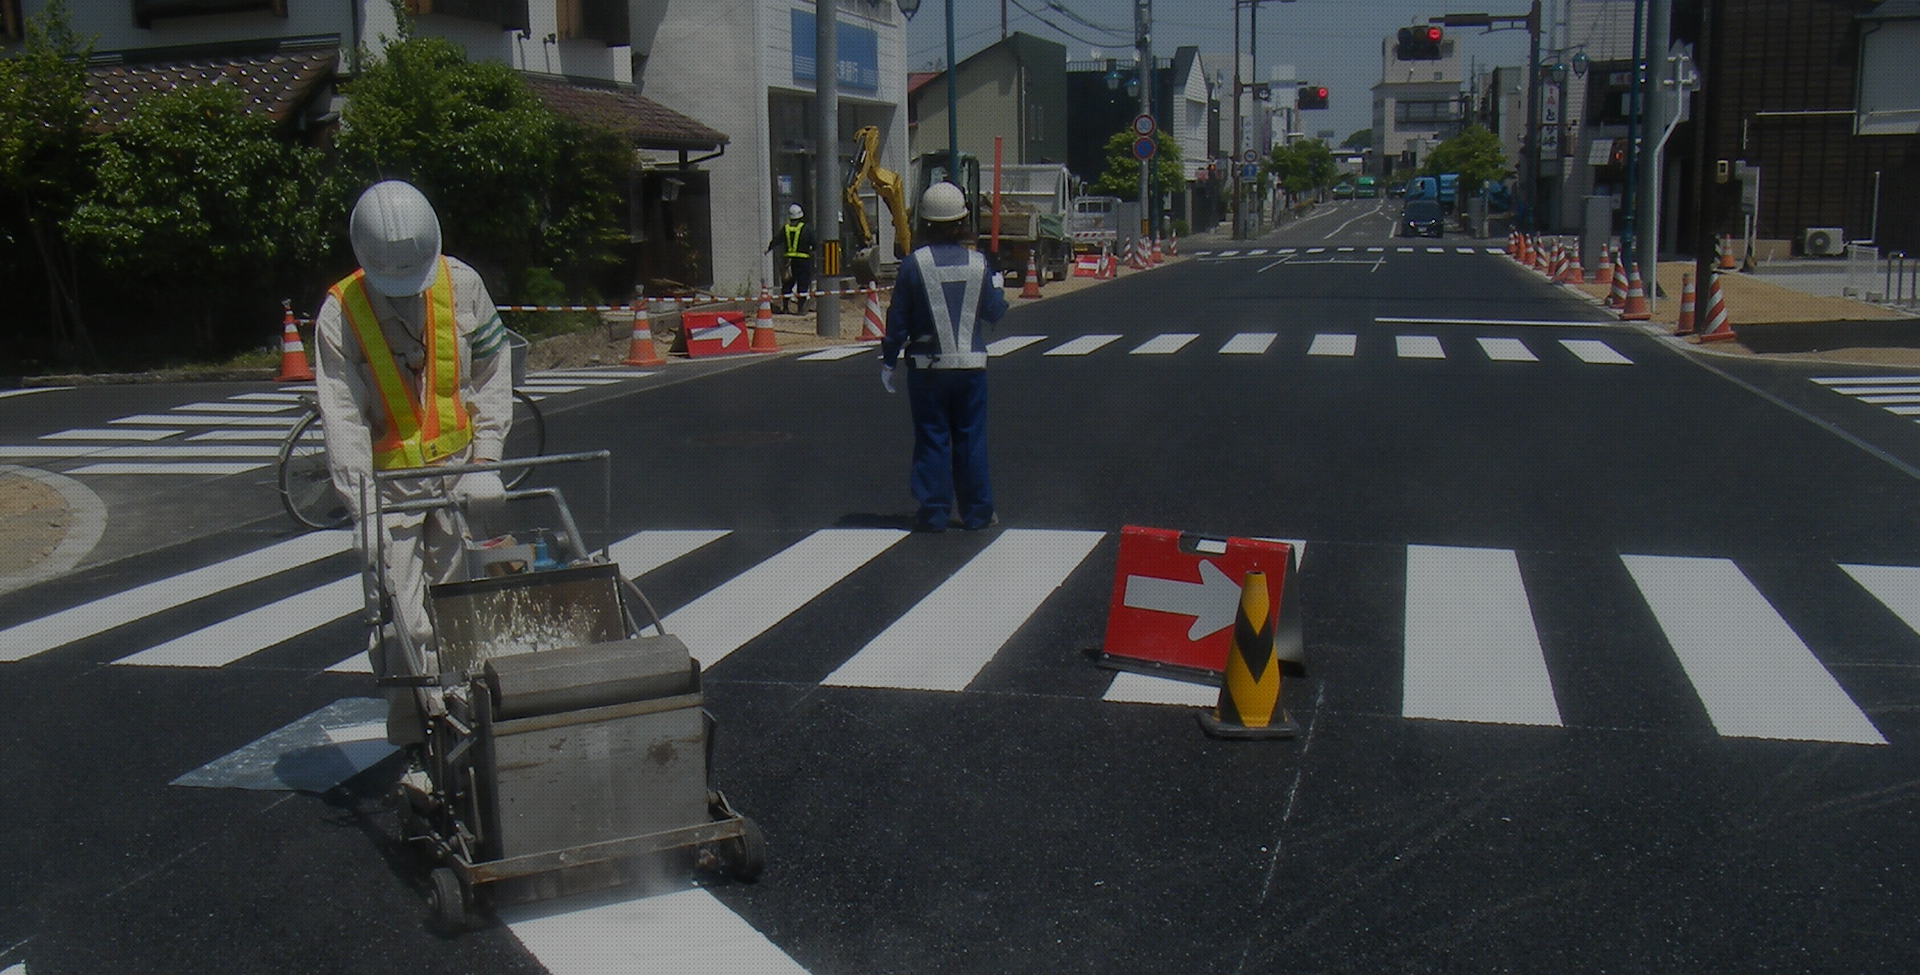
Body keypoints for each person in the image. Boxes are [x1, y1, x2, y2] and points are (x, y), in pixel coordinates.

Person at [312, 179, 514, 745]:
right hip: (390, 489)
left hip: (458, 477)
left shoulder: (463, 284)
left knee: (460, 605)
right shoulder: (341, 313)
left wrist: (487, 460)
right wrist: (362, 508)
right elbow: (342, 415)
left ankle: (465, 716)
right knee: (398, 619)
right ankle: (415, 736)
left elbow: (493, 372)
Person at [880, 182, 1007, 532]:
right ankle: (977, 513)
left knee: (932, 437)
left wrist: (889, 359)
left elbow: (898, 320)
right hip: (971, 368)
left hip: (927, 369)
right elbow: (994, 312)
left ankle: (934, 513)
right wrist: (997, 285)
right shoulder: (978, 263)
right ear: (963, 221)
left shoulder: (912, 265)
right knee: (970, 438)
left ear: (924, 222)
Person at [766, 203, 815, 314]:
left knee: (787, 284)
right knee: (803, 285)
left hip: (789, 261)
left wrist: (769, 248)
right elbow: (814, 243)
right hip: (803, 261)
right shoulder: (807, 229)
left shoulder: (786, 228)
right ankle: (800, 309)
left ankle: (785, 307)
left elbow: (776, 240)